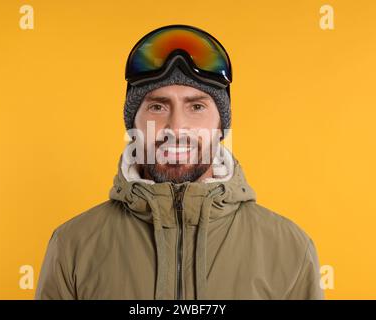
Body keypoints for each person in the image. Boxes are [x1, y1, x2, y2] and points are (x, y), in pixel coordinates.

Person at [35, 25, 324, 300]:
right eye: (157, 106)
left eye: (196, 106)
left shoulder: (289, 249)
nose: (176, 127)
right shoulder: (72, 245)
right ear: (133, 122)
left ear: (221, 124)